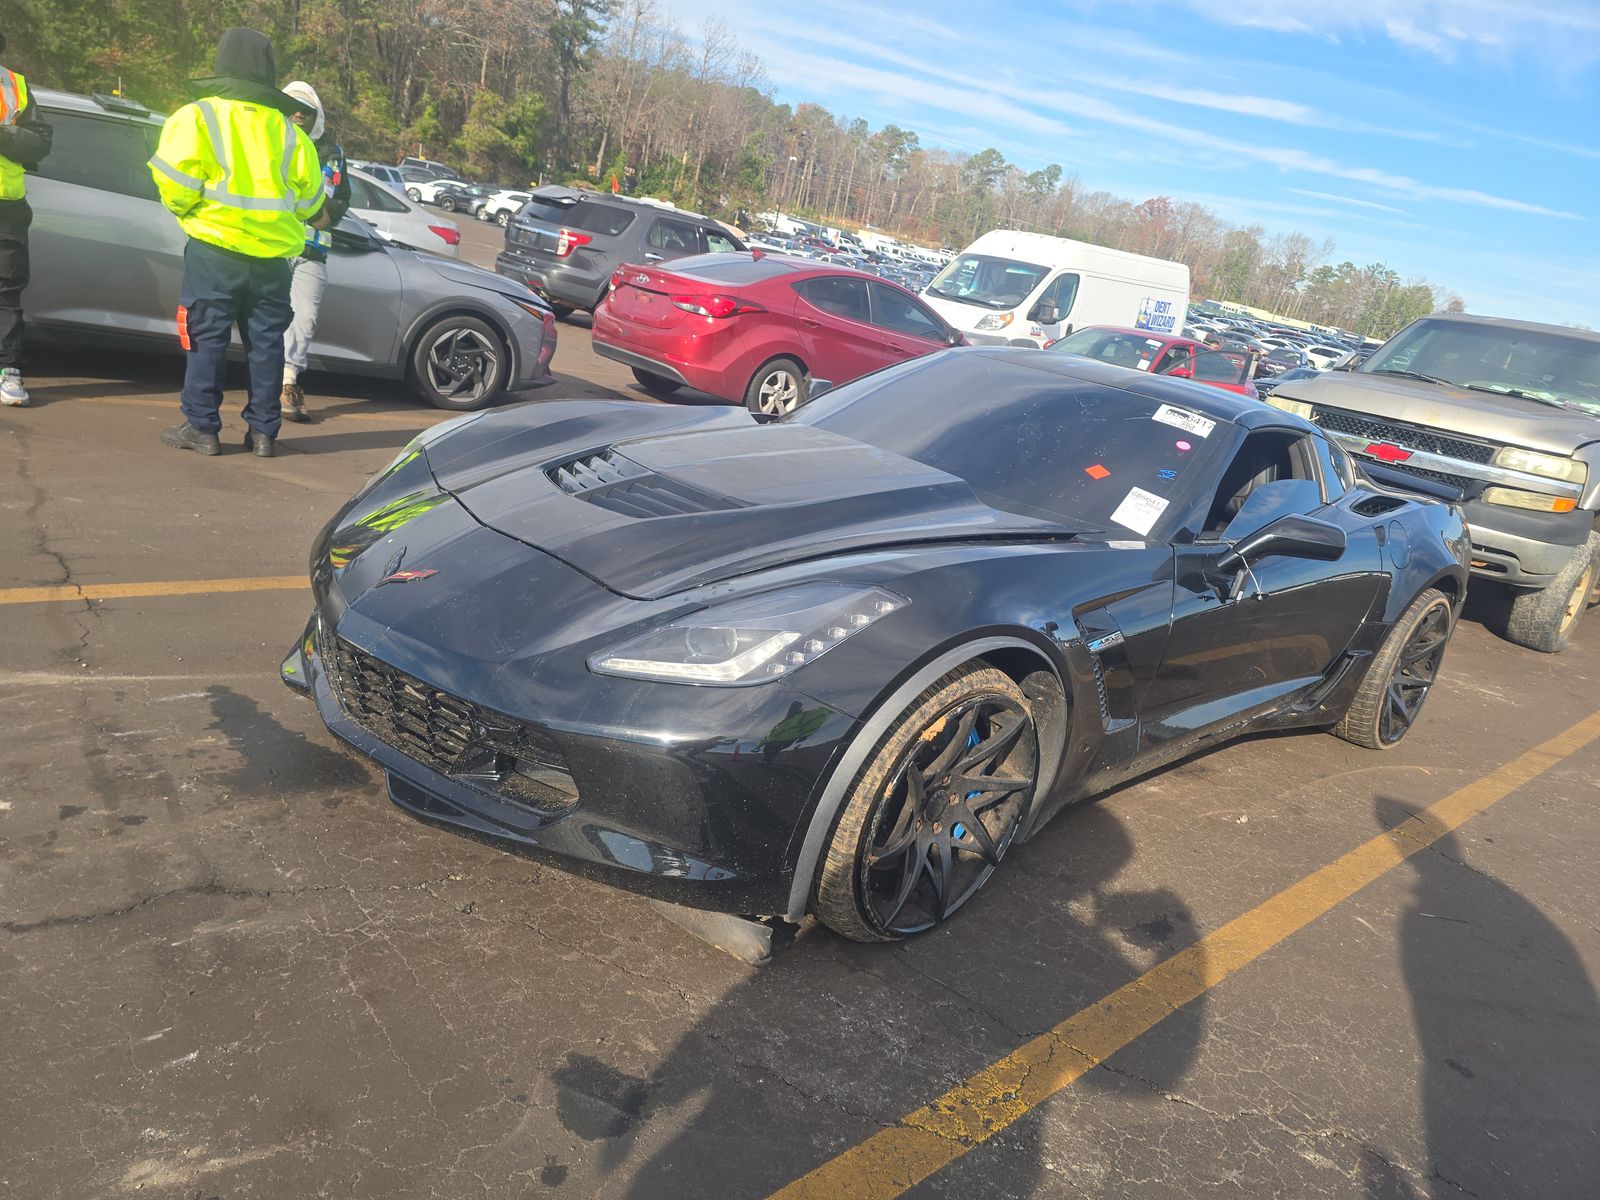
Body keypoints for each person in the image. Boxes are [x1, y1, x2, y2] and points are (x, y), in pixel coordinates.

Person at [148, 28, 338, 458]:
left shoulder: (197, 117)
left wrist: (193, 213)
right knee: (268, 344)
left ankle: (202, 428)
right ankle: (264, 433)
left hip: (214, 250)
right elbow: (310, 206)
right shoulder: (292, 134)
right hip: (273, 259)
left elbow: (174, 185)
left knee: (207, 337)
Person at [279, 80, 349, 423]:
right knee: (267, 319)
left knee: (304, 318)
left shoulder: (332, 153)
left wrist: (327, 217)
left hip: (311, 249)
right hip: (272, 245)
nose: (298, 115)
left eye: (306, 111)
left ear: (316, 115)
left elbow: (342, 196)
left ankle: (289, 382)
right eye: (292, 107)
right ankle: (272, 384)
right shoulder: (270, 141)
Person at [0, 34, 53, 407]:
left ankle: (8, 369)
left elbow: (39, 142)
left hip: (7, 206)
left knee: (5, 292)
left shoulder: (14, 85)